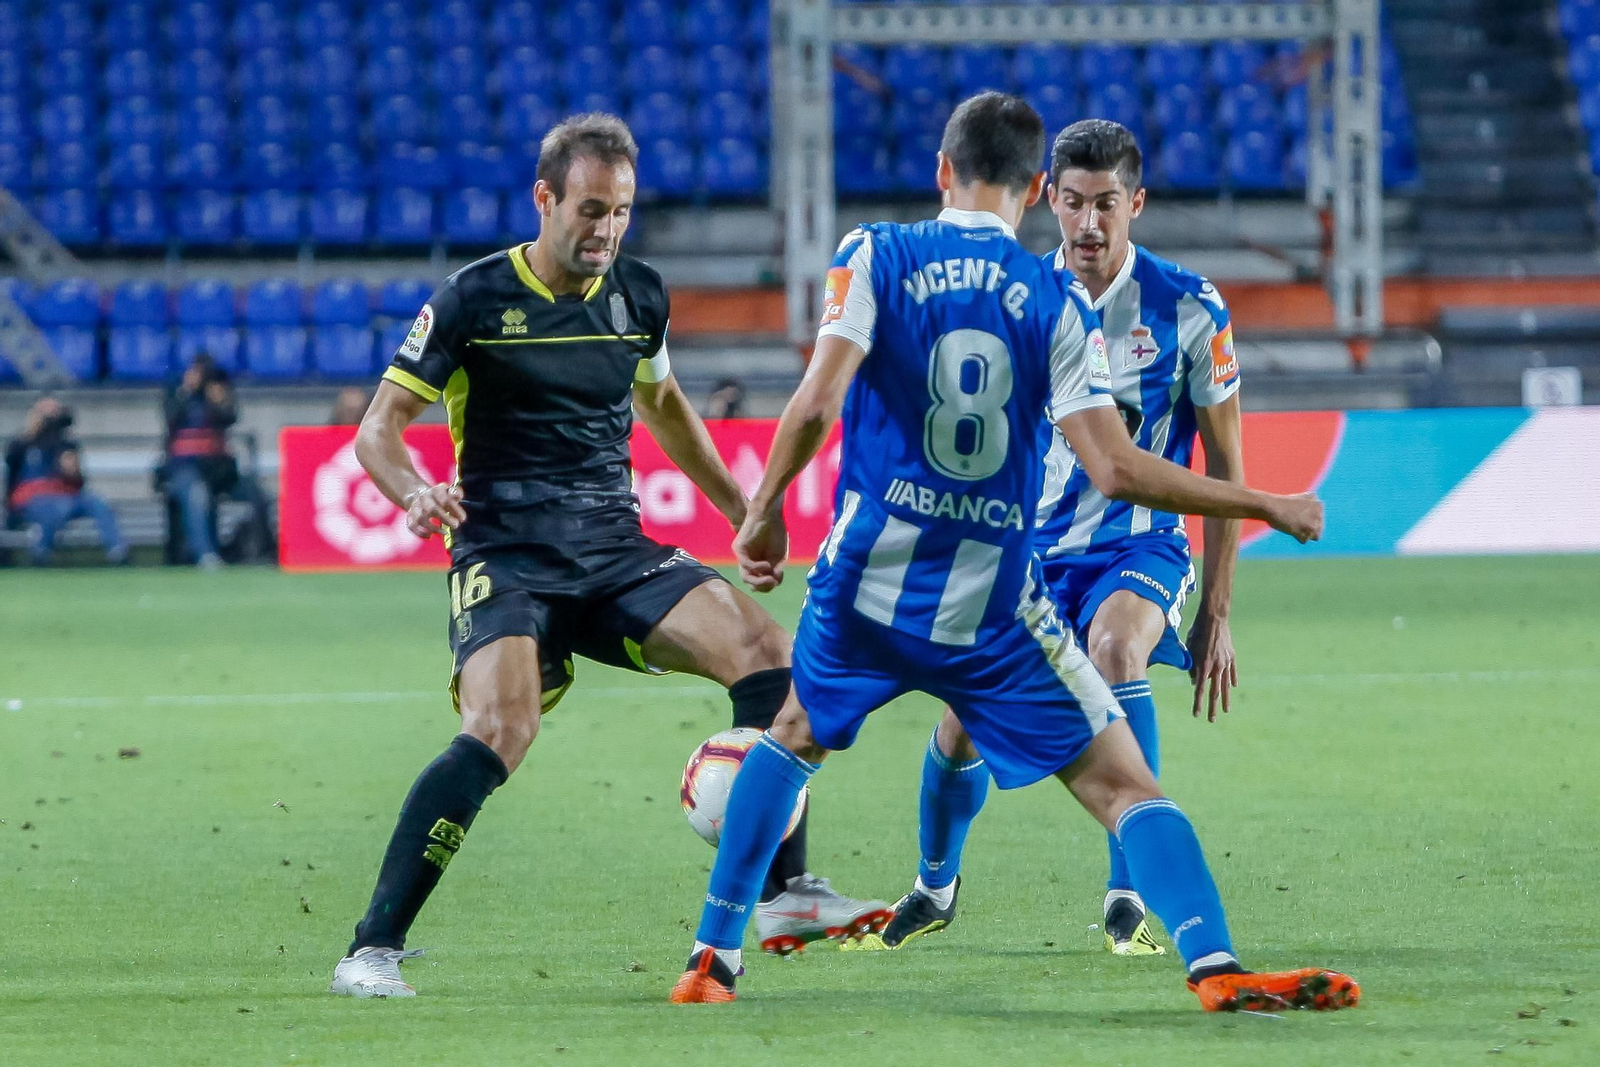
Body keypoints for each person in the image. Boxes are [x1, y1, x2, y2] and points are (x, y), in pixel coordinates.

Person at [669, 92, 1358, 1014]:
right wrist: (1264, 502)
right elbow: (1115, 467)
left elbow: (819, 401)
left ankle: (713, 959)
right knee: (1122, 784)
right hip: (992, 603)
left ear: (943, 170)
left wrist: (760, 513)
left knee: (791, 735)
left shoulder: (873, 253)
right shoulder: (1056, 301)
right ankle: (1214, 963)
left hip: (865, 578)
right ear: (1039, 191)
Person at [328, 114, 884, 999]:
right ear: (544, 199)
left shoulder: (638, 295)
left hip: (613, 548)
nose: (607, 230)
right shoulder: (472, 300)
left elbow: (664, 408)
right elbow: (377, 431)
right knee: (502, 726)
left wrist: (747, 510)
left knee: (770, 653)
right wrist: (412, 491)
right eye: (591, 210)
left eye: (622, 212)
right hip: (505, 549)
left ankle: (783, 893)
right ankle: (372, 948)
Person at [873, 120, 1249, 957]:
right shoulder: (1020, 297)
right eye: (1072, 202)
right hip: (1026, 551)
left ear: (1136, 204)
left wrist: (1217, 609)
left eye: (1106, 205)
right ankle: (936, 883)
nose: (1087, 224)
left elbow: (1226, 464)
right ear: (1048, 197)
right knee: (962, 721)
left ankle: (1128, 890)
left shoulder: (1191, 307)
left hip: (1137, 546)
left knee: (1117, 647)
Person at [3, 396, 127, 565]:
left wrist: (72, 472)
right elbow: (12, 475)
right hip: (34, 498)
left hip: (66, 494)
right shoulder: (22, 444)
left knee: (98, 503)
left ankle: (117, 551)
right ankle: (40, 553)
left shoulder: (66, 444)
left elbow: (79, 483)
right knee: (57, 507)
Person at [159, 355, 238, 569]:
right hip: (183, 468)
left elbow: (230, 418)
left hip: (217, 469)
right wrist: (186, 391)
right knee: (196, 494)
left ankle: (257, 551)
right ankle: (205, 554)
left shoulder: (214, 396)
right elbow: (170, 419)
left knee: (257, 497)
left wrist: (219, 399)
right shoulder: (176, 395)